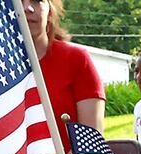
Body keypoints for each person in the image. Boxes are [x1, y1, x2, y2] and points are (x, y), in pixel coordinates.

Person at [23, 0, 104, 135]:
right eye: (18, 2)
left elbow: (92, 138)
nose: (28, 8)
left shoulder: (76, 59)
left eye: (37, 1)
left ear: (50, 11)